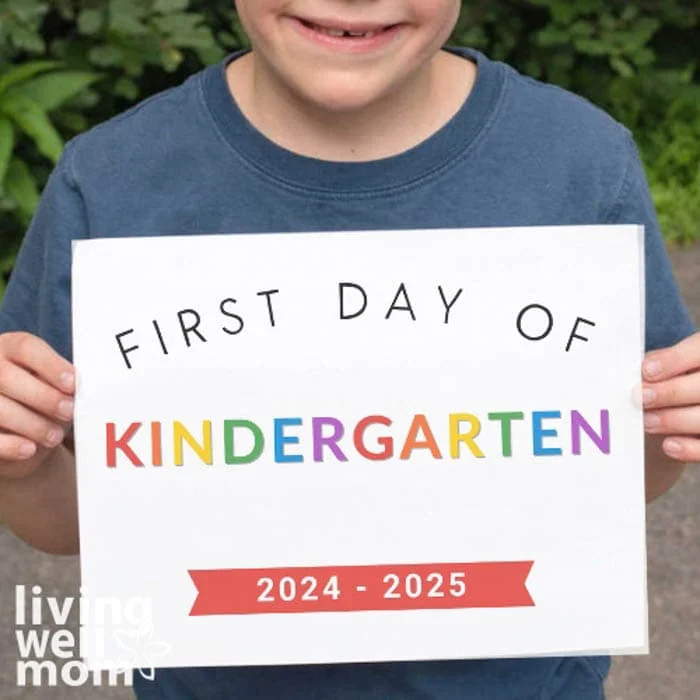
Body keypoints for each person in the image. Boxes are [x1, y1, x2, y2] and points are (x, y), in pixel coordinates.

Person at [0, 1, 696, 698]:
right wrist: (22, 464)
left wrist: (676, 423)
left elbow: (623, 468)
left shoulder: (579, 162)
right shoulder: (112, 182)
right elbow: (71, 521)